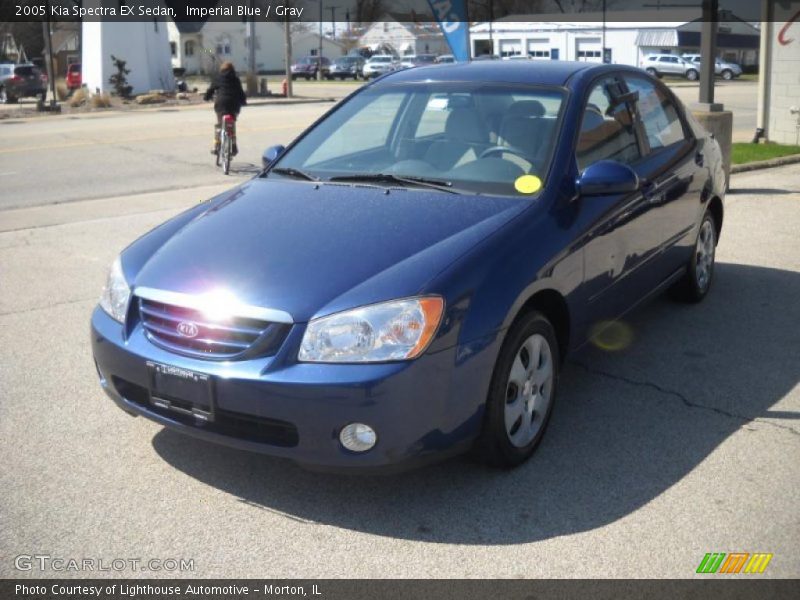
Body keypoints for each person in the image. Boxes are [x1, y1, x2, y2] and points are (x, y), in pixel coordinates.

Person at [203, 61, 247, 156]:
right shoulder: (236, 79)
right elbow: (241, 92)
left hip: (221, 103)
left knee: (219, 124)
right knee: (231, 124)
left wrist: (206, 97)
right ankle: (234, 145)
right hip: (234, 104)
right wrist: (243, 102)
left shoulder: (218, 78)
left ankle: (216, 145)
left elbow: (210, 90)